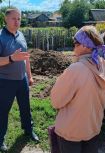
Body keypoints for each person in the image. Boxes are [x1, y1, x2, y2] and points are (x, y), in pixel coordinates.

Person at [50, 25, 105, 153]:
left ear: (85, 46)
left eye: (76, 43)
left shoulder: (76, 69)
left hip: (71, 131)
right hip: (93, 128)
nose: (74, 46)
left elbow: (56, 101)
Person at [0, 8, 39, 152]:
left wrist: (29, 75)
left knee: (25, 107)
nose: (17, 22)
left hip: (21, 80)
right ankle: (0, 139)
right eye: (13, 18)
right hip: (5, 81)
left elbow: (25, 58)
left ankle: (29, 130)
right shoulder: (0, 37)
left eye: (19, 19)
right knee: (2, 111)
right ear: (6, 19)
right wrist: (11, 58)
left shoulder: (21, 35)